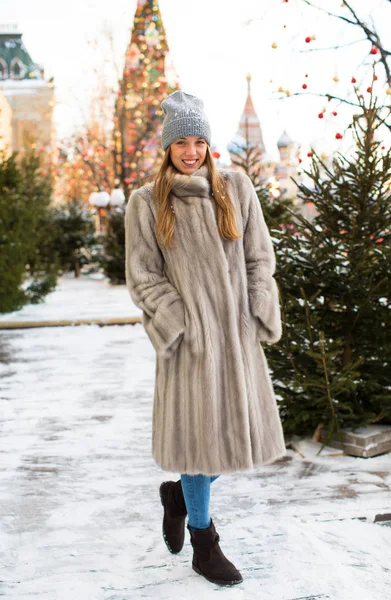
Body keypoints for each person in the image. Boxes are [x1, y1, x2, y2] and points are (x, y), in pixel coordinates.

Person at [125, 90, 286, 586]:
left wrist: (258, 309)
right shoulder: (146, 203)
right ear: (167, 148)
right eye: (182, 143)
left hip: (237, 340)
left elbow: (260, 258)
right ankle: (203, 540)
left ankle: (177, 496)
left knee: (236, 444)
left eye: (199, 141)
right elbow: (143, 276)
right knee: (199, 447)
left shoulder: (236, 189)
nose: (191, 151)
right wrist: (181, 323)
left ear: (209, 144)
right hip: (190, 347)